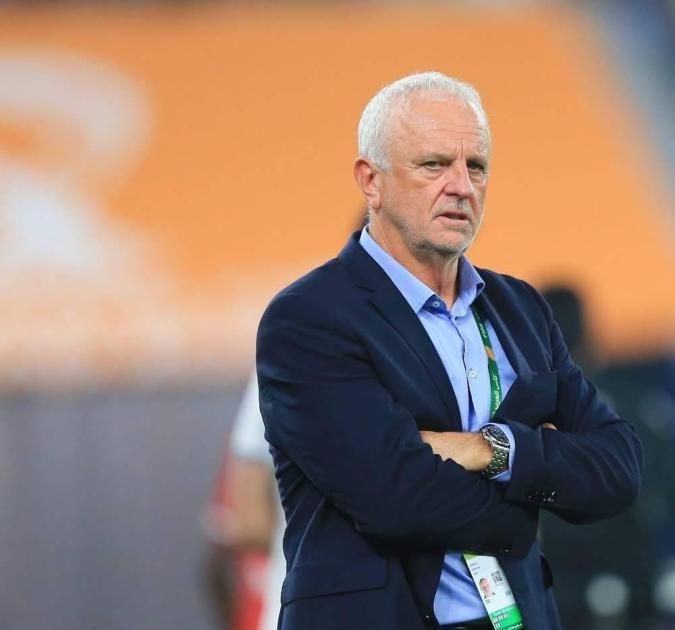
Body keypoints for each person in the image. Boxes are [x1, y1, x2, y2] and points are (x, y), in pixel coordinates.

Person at [256, 71, 643, 630]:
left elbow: (619, 468)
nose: (462, 185)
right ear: (371, 181)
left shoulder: (521, 309)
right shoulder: (309, 318)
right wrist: (531, 499)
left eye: (476, 166)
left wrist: (493, 451)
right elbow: (395, 497)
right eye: (434, 164)